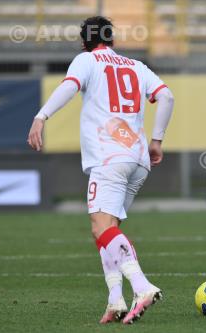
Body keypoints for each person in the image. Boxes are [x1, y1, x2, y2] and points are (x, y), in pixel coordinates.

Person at [27, 16, 174, 324]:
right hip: (138, 160)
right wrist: (157, 139)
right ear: (112, 39)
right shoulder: (136, 66)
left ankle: (142, 286)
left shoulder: (86, 60)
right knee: (108, 231)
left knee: (100, 228)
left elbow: (70, 87)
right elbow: (166, 96)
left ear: (84, 42)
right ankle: (115, 299)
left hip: (109, 159)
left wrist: (41, 117)